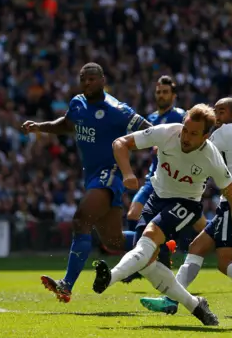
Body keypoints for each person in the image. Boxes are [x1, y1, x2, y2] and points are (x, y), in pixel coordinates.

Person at [91, 104, 232, 326]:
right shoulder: (167, 132)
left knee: (149, 238)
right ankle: (195, 305)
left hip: (186, 204)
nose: (186, 136)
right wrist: (127, 173)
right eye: (185, 129)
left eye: (194, 133)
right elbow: (120, 143)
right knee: (145, 262)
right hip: (156, 198)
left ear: (206, 136)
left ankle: (109, 279)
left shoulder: (211, 157)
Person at [20, 63, 151, 303]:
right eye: (83, 79)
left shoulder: (117, 109)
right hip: (90, 176)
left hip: (109, 174)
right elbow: (66, 125)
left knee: (81, 219)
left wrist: (166, 146)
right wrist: (40, 126)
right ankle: (160, 243)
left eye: (92, 79)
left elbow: (149, 130)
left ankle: (66, 285)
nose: (87, 83)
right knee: (113, 241)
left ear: (103, 80)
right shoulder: (77, 103)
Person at [120, 75, 186, 283]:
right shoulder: (152, 118)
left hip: (176, 179)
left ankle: (231, 246)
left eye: (165, 92)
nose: (161, 95)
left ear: (174, 96)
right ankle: (139, 261)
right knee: (133, 213)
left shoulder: (182, 116)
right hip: (153, 177)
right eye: (158, 92)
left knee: (196, 226)